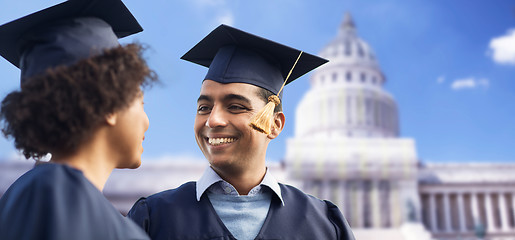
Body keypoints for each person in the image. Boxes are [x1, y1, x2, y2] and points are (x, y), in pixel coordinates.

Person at [128, 24, 355, 240]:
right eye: (204, 108)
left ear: (275, 124)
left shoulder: (324, 225)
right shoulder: (153, 218)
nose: (213, 120)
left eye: (236, 106)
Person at [0, 0, 156, 239]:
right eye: (141, 102)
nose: (146, 121)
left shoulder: (47, 192)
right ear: (108, 104)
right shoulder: (52, 192)